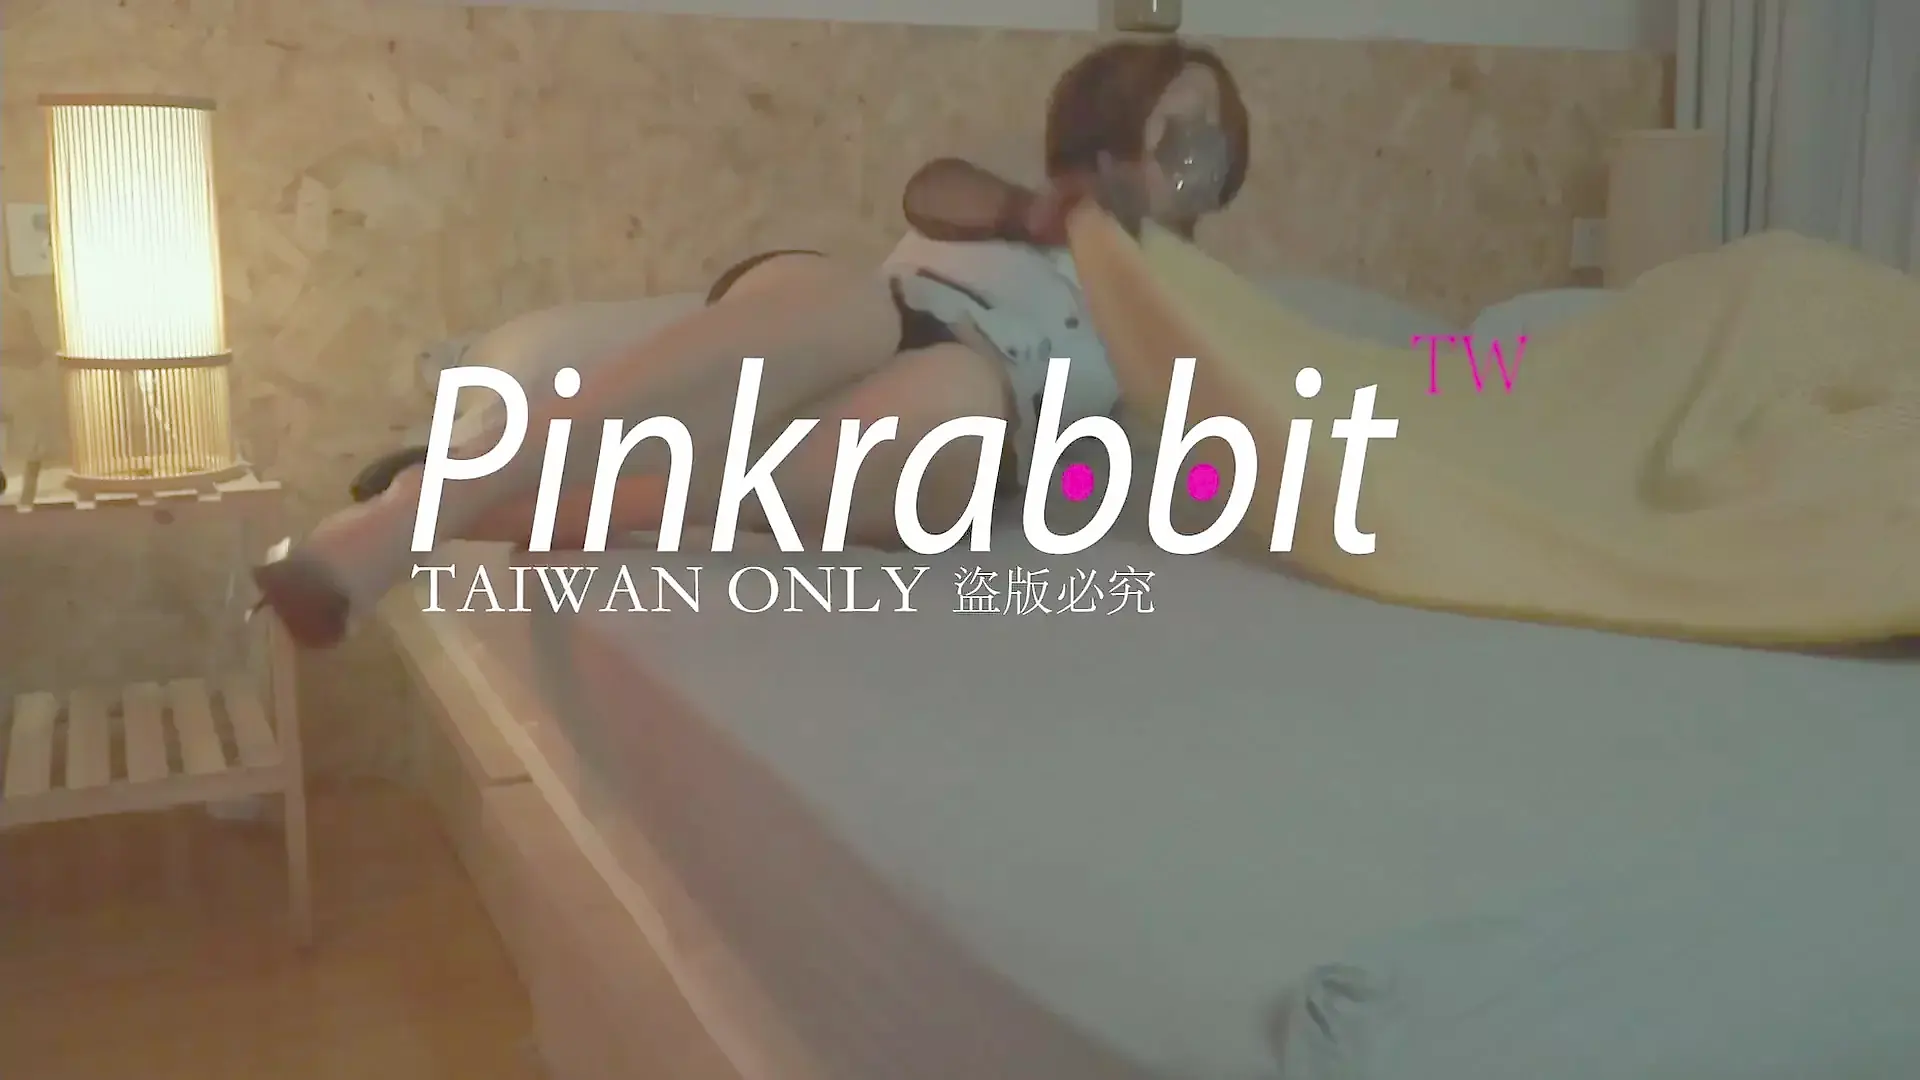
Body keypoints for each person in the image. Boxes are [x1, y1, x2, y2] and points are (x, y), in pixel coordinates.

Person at [255, 38, 1251, 648]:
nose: (1196, 144)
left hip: (954, 425)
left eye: (1210, 129)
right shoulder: (1015, 207)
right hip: (867, 318)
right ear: (1108, 138)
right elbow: (930, 191)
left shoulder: (1188, 311)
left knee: (956, 397)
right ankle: (425, 503)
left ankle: (482, 505)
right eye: (1175, 122)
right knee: (855, 311)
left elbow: (1165, 452)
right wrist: (1035, 211)